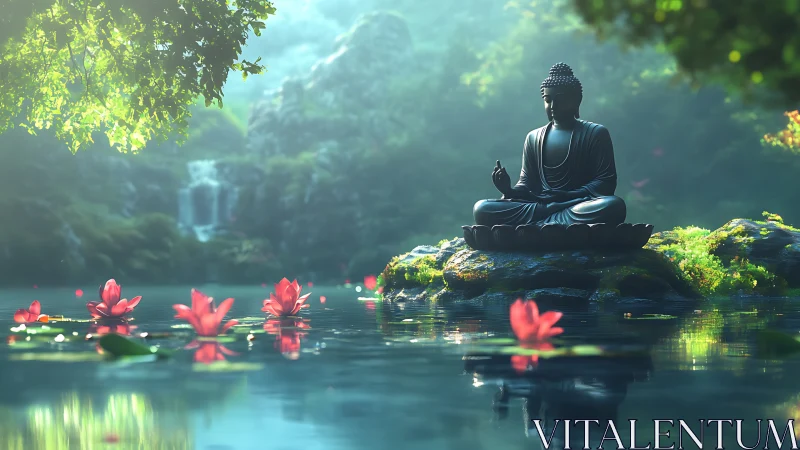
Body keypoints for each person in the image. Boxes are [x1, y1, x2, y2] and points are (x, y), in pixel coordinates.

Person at [473, 62, 626, 227]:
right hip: (540, 208)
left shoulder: (595, 133)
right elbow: (527, 184)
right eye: (547, 99)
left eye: (560, 99)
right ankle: (554, 223)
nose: (553, 106)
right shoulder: (534, 137)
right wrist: (509, 190)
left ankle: (541, 226)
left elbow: (606, 183)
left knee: (613, 206)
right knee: (482, 208)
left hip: (575, 206)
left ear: (576, 100)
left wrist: (566, 196)